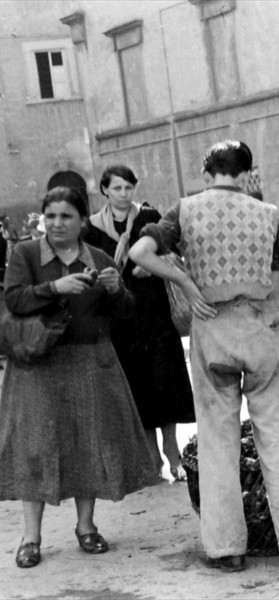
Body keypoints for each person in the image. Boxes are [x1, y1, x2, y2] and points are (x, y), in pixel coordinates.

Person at [129, 140, 279, 572]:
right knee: (278, 436)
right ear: (247, 174)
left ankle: (226, 550)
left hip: (212, 329)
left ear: (206, 173)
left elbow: (140, 254)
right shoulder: (269, 215)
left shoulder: (186, 209)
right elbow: (275, 287)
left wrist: (185, 283)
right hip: (260, 329)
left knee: (218, 443)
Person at [0, 186, 157, 569]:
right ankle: (31, 537)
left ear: (82, 221)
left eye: (66, 216)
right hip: (37, 366)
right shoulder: (25, 254)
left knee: (87, 445)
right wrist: (54, 287)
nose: (56, 223)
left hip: (90, 362)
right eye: (49, 216)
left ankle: (86, 527)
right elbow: (14, 299)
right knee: (35, 448)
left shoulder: (99, 257)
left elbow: (126, 313)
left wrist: (117, 289)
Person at [84, 165, 195, 481]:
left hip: (156, 314)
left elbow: (172, 253)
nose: (122, 194)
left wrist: (154, 265)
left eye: (127, 188)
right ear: (105, 190)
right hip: (120, 317)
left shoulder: (148, 217)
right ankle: (151, 462)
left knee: (165, 385)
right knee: (138, 390)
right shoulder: (91, 229)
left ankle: (174, 456)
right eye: (116, 188)